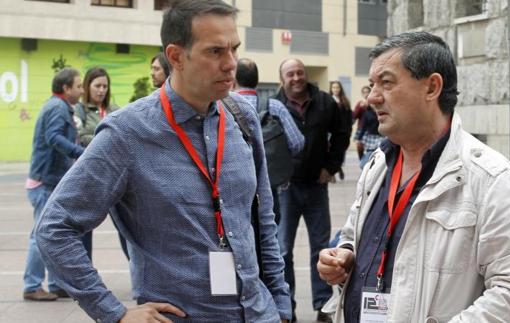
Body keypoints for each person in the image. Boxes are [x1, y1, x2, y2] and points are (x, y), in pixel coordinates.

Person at [35, 1, 291, 322]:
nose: (231, 64)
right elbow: (54, 229)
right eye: (215, 52)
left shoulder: (242, 117)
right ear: (175, 57)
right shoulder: (127, 132)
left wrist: (281, 305)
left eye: (234, 49)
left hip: (258, 312)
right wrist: (113, 312)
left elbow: (263, 218)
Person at [317, 31, 510, 323]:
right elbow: (352, 235)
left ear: (432, 87)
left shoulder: (491, 179)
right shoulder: (378, 164)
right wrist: (344, 255)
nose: (372, 97)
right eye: (372, 85)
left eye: (386, 82)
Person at [273, 58, 350, 322]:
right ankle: (287, 308)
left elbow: (342, 132)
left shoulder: (325, 102)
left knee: (321, 249)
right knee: (283, 250)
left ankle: (321, 306)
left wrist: (331, 166)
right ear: (282, 78)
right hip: (286, 189)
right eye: (290, 74)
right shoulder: (274, 106)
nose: (296, 78)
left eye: (300, 72)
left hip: (317, 188)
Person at [23, 68, 85, 301]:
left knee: (52, 234)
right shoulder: (57, 108)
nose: (81, 90)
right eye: (78, 86)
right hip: (46, 182)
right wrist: (82, 153)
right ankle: (32, 285)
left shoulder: (57, 106)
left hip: (49, 180)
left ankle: (57, 283)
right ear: (66, 88)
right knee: (41, 235)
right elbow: (54, 137)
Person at [235, 58, 305, 224]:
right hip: (268, 187)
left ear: (234, 79)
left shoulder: (220, 106)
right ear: (257, 80)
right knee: (268, 236)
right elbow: (298, 142)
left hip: (233, 190)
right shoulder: (275, 106)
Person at [74, 67, 129, 260]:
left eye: (105, 86)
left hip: (115, 177)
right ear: (88, 86)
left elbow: (124, 134)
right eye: (97, 85)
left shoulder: (114, 109)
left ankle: (137, 270)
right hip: (90, 178)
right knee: (83, 230)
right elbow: (80, 137)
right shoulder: (79, 111)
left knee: (127, 227)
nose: (101, 90)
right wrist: (106, 137)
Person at [329, 81, 353, 181]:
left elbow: (349, 117)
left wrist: (349, 130)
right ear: (331, 89)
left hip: (343, 131)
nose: (335, 90)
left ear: (340, 89)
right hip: (331, 131)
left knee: (341, 152)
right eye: (334, 88)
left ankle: (338, 167)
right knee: (330, 152)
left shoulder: (345, 101)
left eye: (337, 88)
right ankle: (332, 173)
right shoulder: (328, 100)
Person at [354, 105, 383, 169]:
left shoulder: (382, 112)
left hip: (382, 138)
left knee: (379, 155)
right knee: (363, 164)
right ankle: (364, 163)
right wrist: (359, 138)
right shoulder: (367, 113)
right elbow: (363, 127)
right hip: (371, 139)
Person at [352, 85, 372, 160]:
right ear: (362, 94)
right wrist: (360, 107)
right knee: (359, 146)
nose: (366, 94)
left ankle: (369, 163)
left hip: (371, 129)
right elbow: (354, 116)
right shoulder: (360, 103)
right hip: (361, 128)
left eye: (367, 92)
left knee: (371, 149)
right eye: (364, 92)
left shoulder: (373, 103)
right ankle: (362, 161)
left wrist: (369, 106)